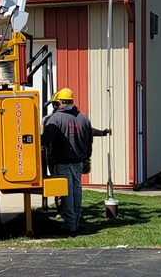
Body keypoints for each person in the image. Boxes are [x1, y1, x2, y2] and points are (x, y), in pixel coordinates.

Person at [41, 87, 92, 234]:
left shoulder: (56, 118)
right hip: (78, 162)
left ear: (61, 101)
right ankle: (76, 221)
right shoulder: (84, 118)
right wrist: (86, 159)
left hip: (62, 162)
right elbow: (89, 142)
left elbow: (46, 139)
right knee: (77, 191)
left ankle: (70, 225)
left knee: (67, 193)